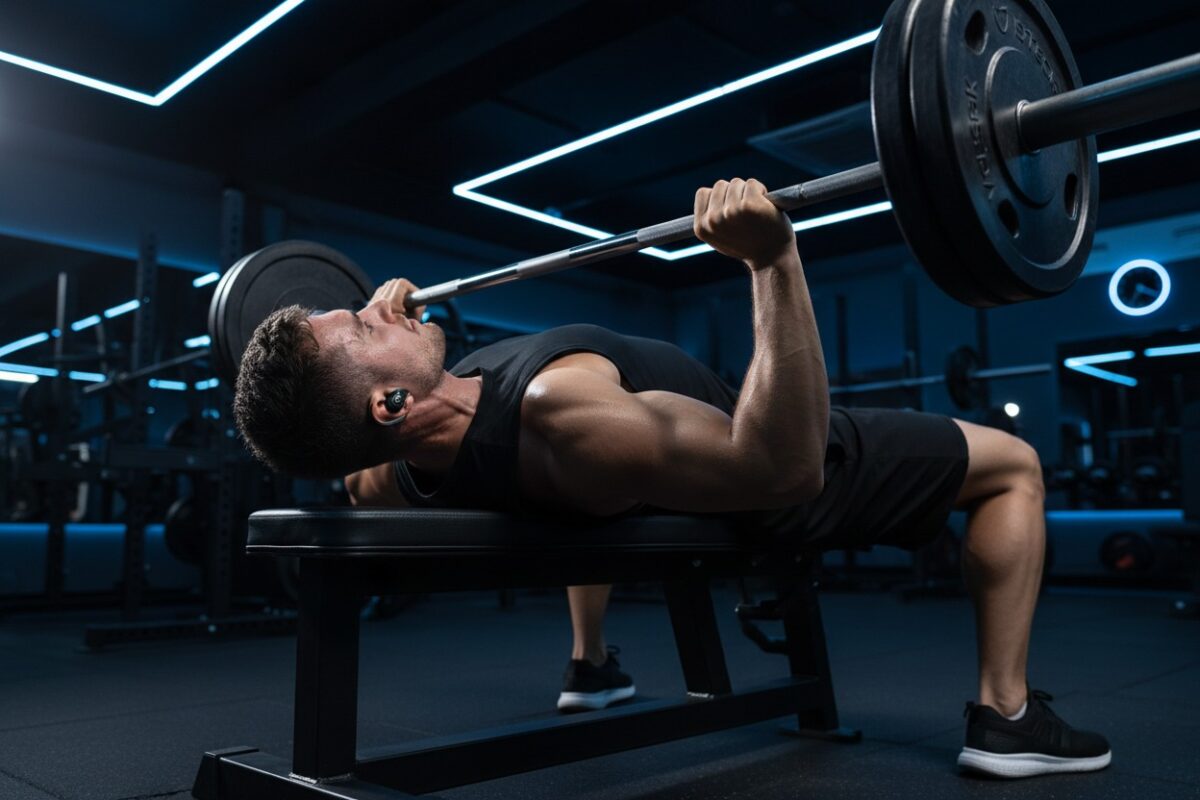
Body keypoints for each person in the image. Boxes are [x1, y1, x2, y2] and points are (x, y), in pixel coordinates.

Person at [233, 178, 1111, 779]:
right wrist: (774, 260)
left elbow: (348, 466)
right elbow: (785, 468)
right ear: (388, 404)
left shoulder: (397, 467)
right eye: (359, 322)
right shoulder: (561, 413)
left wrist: (388, 356)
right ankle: (1007, 715)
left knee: (594, 490)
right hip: (771, 461)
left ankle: (589, 662)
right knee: (1012, 465)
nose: (377, 302)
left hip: (636, 475)